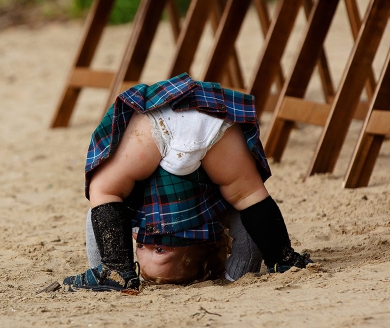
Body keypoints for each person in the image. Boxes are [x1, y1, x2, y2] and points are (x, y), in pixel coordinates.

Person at [64, 73, 312, 291]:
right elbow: (95, 216)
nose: (145, 246)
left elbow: (245, 228)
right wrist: (235, 276)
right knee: (104, 191)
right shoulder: (127, 215)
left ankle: (283, 258)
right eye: (157, 250)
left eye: (146, 247)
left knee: (248, 196)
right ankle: (115, 266)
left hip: (190, 122)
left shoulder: (136, 214)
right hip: (195, 121)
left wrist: (236, 273)